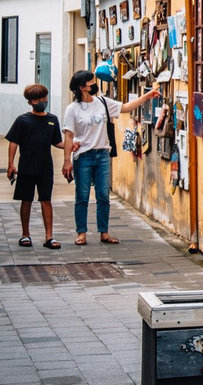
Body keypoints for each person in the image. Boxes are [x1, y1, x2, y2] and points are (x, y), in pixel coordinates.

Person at [61, 69, 159, 246]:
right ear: (83, 87)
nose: (95, 85)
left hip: (103, 155)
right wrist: (67, 160)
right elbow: (68, 136)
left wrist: (147, 96)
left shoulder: (102, 102)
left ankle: (103, 232)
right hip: (83, 156)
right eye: (91, 82)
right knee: (82, 196)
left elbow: (125, 107)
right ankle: (81, 233)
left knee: (103, 195)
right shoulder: (72, 109)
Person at [6, 84, 67, 250]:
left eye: (43, 97)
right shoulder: (22, 120)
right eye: (37, 99)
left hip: (45, 167)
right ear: (29, 102)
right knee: (26, 200)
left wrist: (70, 146)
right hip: (26, 166)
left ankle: (49, 237)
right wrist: (11, 163)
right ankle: (25, 235)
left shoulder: (52, 119)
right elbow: (13, 142)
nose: (41, 101)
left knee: (46, 200)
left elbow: (57, 142)